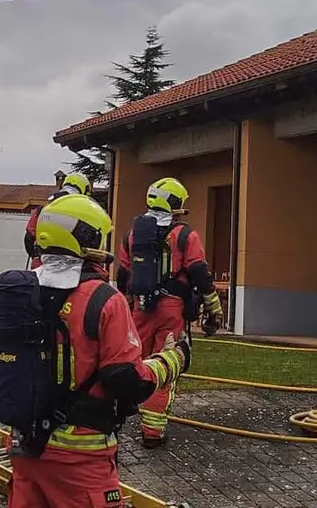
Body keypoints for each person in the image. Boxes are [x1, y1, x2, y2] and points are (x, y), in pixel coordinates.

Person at [0, 193, 191, 507]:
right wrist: (174, 359)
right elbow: (128, 379)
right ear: (87, 238)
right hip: (80, 459)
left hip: (25, 447)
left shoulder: (21, 292)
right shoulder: (104, 299)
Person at [114, 176, 223, 448]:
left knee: (133, 363)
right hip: (171, 310)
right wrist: (213, 306)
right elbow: (199, 272)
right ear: (175, 204)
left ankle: (114, 419)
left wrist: (128, 306)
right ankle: (152, 433)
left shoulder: (132, 235)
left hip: (140, 309)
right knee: (164, 366)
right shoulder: (185, 235)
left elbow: (122, 274)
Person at [23, 172, 92, 269]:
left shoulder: (42, 209)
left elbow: (29, 237)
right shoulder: (83, 212)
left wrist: (36, 257)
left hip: (43, 265)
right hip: (73, 268)